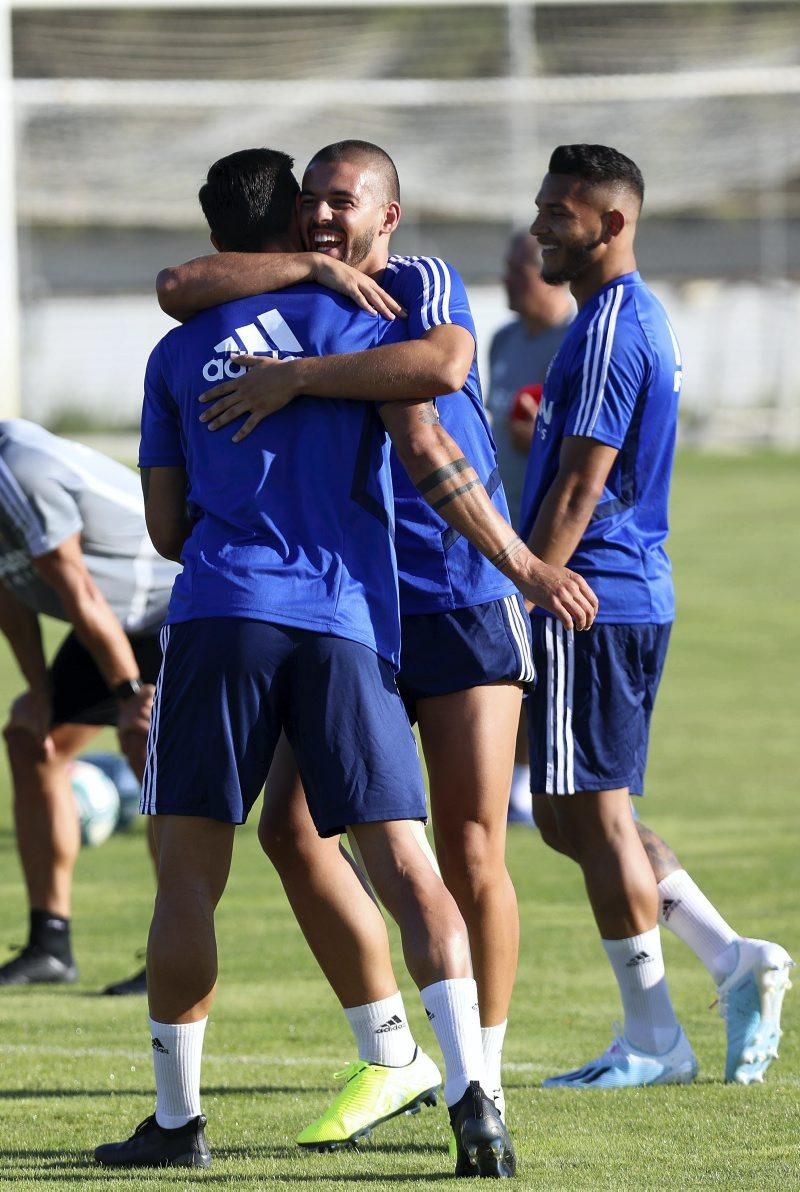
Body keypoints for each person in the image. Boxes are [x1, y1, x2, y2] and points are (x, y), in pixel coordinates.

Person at [94, 147, 593, 1176]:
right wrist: (520, 559)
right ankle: (475, 1105)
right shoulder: (366, 322)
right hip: (347, 619)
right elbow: (427, 437)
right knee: (412, 865)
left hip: (223, 609)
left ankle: (178, 1123)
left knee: (188, 877)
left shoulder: (177, 352)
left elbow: (161, 528)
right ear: (292, 227)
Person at [519, 142, 793, 1089]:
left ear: (612, 222)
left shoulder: (606, 330)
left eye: (560, 211)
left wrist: (526, 583)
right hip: (618, 593)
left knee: (586, 818)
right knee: (571, 817)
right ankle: (732, 958)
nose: (541, 225)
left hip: (588, 593)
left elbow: (577, 490)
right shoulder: (630, 317)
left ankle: (651, 1039)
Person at [0, 419, 177, 994]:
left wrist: (129, 697)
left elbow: (75, 585)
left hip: (168, 606)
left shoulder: (17, 469)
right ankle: (50, 944)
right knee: (33, 741)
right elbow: (8, 593)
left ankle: (175, 954)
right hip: (107, 619)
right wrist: (39, 692)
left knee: (144, 744)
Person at [486, 231, 572, 824]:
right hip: (499, 528)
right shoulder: (501, 341)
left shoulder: (576, 340)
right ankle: (514, 777)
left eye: (519, 268)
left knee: (544, 658)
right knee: (505, 658)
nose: (509, 277)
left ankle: (534, 780)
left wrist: (541, 433)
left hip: (556, 534)